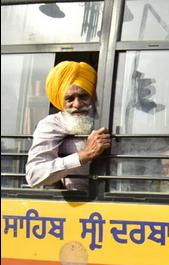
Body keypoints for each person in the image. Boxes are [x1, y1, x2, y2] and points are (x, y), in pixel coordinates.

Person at [25, 61, 111, 190]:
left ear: (93, 96)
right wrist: (85, 155)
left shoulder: (109, 119)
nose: (77, 104)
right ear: (60, 99)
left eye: (83, 96)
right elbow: (34, 175)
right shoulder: (52, 125)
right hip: (73, 205)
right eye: (70, 99)